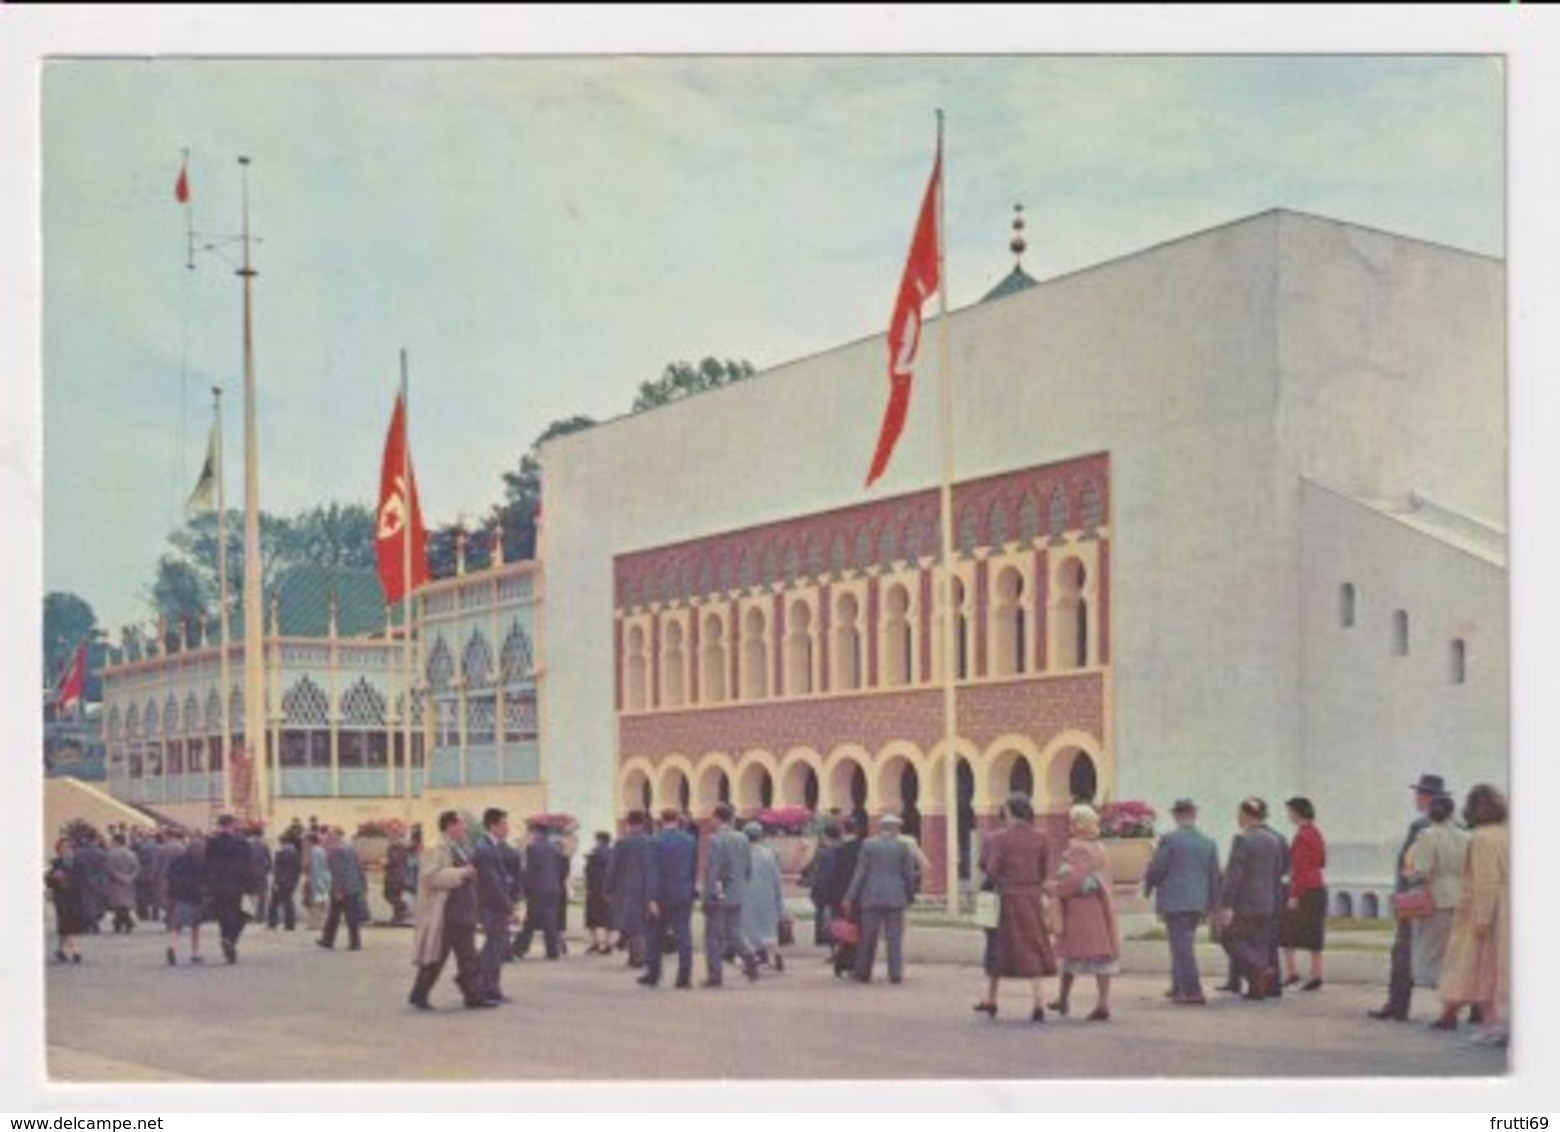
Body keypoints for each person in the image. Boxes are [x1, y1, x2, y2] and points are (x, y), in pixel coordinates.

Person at [1436, 784, 1510, 1046]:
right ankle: (1501, 1025)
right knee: (1503, 971)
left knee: (1484, 972)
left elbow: (1485, 881)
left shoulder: (1481, 838)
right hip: (1509, 908)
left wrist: (1481, 920)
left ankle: (1493, 1026)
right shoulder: (1507, 833)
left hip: (1492, 913)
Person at [973, 793, 1057, 1021]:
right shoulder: (1041, 838)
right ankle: (1038, 1000)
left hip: (1005, 897)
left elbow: (989, 869)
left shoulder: (996, 838)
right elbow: (1043, 871)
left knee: (997, 946)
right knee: (1034, 945)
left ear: (1009, 811)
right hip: (1031, 897)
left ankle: (991, 998)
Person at [1370, 772, 1444, 1021]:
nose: (1415, 799)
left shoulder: (1420, 827)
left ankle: (1397, 1005)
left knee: (1402, 951)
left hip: (1415, 898)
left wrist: (1400, 896)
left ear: (1426, 797)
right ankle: (1463, 1009)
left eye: (1418, 794)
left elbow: (1409, 866)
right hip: (1443, 900)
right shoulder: (1456, 826)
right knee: (1446, 953)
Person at [409, 810, 494, 1010]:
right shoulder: (435, 848)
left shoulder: (462, 847)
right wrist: (461, 873)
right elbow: (429, 878)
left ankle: (473, 995)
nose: (465, 828)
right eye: (461, 824)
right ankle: (419, 993)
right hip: (446, 912)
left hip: (464, 911)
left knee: (469, 956)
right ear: (450, 826)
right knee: (437, 955)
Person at [1142, 797, 1221, 1005]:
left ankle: (1193, 990)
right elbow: (1215, 877)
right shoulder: (1208, 843)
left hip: (1175, 901)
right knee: (1183, 943)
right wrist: (1214, 906)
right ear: (1194, 815)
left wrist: (1148, 886)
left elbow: (1158, 868)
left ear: (1176, 816)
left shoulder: (1170, 839)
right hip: (1198, 901)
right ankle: (1178, 986)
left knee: (1181, 947)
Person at [1048, 803, 1121, 1020]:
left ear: (1080, 825)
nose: (1069, 825)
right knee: (1101, 956)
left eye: (1072, 821)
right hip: (1099, 908)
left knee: (1069, 953)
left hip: (1078, 909)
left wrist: (1054, 888)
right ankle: (1103, 1001)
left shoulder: (1075, 847)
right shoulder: (1100, 848)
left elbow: (1071, 878)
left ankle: (1063, 999)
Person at [1406, 793, 1471, 1029]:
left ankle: (1449, 1008)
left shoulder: (1427, 835)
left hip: (1436, 900)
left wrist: (1410, 874)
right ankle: (1451, 1010)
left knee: (1432, 960)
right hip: (1462, 900)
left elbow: (1423, 870)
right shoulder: (1467, 836)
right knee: (1455, 958)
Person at [1218, 797, 1287, 1002]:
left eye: (1239, 813)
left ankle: (1260, 970)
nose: (1238, 818)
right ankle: (1257, 989)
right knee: (1260, 943)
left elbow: (1234, 875)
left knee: (1229, 937)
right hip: (1269, 900)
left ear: (1247, 815)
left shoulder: (1242, 839)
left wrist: (1226, 904)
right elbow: (1281, 869)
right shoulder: (1275, 839)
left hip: (1245, 903)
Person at [843, 812, 917, 985]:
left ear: (881, 828)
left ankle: (863, 971)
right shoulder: (903, 847)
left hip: (872, 895)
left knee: (868, 937)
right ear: (896, 829)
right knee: (894, 938)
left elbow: (860, 873)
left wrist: (850, 896)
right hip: (896, 896)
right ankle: (895, 973)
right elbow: (908, 875)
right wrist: (910, 894)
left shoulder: (869, 845)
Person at [701, 801, 760, 987]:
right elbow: (748, 867)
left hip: (719, 894)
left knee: (713, 936)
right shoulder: (742, 838)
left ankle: (715, 975)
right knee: (735, 932)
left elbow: (713, 871)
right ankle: (750, 959)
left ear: (717, 818)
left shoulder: (716, 839)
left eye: (712, 817)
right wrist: (741, 886)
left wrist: (708, 895)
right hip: (737, 892)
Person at [644, 809, 696, 988]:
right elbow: (693, 868)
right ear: (677, 820)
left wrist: (651, 898)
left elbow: (653, 871)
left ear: (661, 820)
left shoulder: (655, 841)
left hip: (661, 894)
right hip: (683, 892)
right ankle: (684, 977)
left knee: (655, 936)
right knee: (684, 936)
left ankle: (653, 974)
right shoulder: (689, 840)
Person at [1280, 796, 1327, 990]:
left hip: (1303, 890)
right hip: (1318, 887)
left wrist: (1293, 895)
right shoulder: (1316, 833)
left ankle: (1291, 972)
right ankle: (1316, 975)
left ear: (1297, 812)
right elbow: (1322, 861)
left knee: (1287, 933)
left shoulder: (1300, 836)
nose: (1289, 815)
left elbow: (1297, 869)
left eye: (1290, 811)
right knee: (1315, 934)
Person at [473, 807, 518, 1003]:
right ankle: (486, 987)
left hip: (494, 905)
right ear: (493, 826)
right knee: (493, 948)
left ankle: (489, 987)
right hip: (491, 906)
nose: (507, 828)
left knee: (494, 948)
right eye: (503, 824)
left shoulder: (492, 846)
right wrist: (508, 907)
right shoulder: (484, 849)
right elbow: (492, 883)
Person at [607, 810, 656, 968]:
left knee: (631, 923)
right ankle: (640, 954)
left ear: (628, 823)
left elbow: (612, 867)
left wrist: (608, 888)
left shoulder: (622, 843)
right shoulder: (651, 842)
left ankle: (637, 956)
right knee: (642, 922)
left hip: (626, 888)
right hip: (647, 887)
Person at [204, 814, 254, 964]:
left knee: (223, 916)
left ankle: (227, 943)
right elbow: (248, 866)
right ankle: (231, 939)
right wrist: (251, 886)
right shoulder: (242, 843)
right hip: (238, 885)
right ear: (232, 825)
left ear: (220, 825)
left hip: (218, 885)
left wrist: (208, 886)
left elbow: (208, 865)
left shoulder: (212, 843)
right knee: (243, 914)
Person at [741, 822, 788, 973]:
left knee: (749, 930)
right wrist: (778, 897)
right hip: (767, 896)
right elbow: (777, 878)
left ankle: (752, 960)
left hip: (748, 897)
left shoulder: (743, 853)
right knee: (768, 930)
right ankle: (777, 954)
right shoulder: (769, 854)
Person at [515, 821, 564, 960]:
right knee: (548, 919)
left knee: (531, 919)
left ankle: (520, 948)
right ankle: (552, 950)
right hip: (553, 888)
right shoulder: (555, 849)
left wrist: (525, 888)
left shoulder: (533, 849)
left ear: (537, 834)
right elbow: (560, 870)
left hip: (538, 889)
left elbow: (530, 871)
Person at [318, 827, 367, 951]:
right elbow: (359, 867)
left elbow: (337, 872)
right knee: (350, 916)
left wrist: (337, 890)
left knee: (334, 915)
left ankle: (328, 940)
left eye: (331, 835)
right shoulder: (351, 849)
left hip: (342, 888)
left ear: (337, 836)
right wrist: (361, 884)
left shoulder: (335, 851)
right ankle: (355, 943)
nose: (328, 838)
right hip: (353, 887)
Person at [163, 831, 205, 966]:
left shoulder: (177, 860)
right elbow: (205, 880)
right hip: (195, 897)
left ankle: (172, 946)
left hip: (179, 897)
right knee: (195, 927)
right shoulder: (201, 863)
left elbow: (169, 875)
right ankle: (195, 953)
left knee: (177, 926)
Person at [45, 837, 89, 963]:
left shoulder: (79, 862)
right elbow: (47, 881)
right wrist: (53, 878)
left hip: (76, 896)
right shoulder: (55, 863)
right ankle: (76, 950)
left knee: (69, 924)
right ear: (58, 849)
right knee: (67, 922)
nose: (66, 849)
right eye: (63, 847)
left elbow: (84, 879)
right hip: (61, 897)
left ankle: (61, 950)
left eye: (68, 847)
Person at [807, 823, 841, 947]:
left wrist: (814, 887)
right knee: (836, 914)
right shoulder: (843, 850)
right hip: (839, 888)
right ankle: (835, 938)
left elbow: (820, 872)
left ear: (826, 835)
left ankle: (822, 938)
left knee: (822, 913)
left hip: (824, 887)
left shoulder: (824, 852)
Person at [583, 831, 614, 954]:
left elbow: (589, 872)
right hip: (608, 889)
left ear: (599, 840)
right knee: (608, 917)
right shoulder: (613, 853)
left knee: (592, 917)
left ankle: (596, 942)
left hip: (595, 889)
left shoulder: (594, 854)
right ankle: (608, 943)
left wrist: (589, 887)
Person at [104, 833, 141, 935]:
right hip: (129, 882)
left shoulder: (111, 854)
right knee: (125, 903)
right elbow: (137, 868)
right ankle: (119, 923)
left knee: (118, 904)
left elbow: (109, 868)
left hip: (116, 882)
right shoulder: (132, 854)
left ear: (116, 841)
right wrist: (130, 877)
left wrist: (118, 876)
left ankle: (125, 922)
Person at [268, 832, 301, 931]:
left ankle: (272, 923)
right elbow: (297, 869)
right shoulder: (296, 853)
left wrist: (276, 882)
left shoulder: (280, 853)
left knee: (274, 902)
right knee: (288, 902)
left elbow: (278, 869)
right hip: (291, 881)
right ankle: (290, 924)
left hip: (281, 881)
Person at [305, 832, 331, 932]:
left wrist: (310, 880)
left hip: (317, 880)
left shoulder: (314, 851)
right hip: (324, 879)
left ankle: (315, 923)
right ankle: (320, 923)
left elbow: (315, 868)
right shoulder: (322, 850)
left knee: (314, 903)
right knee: (322, 903)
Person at [384, 833, 412, 926]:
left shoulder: (394, 848)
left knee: (388, 894)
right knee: (396, 895)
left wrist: (385, 862)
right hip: (401, 877)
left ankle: (402, 906)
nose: (390, 840)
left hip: (393, 877)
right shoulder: (403, 849)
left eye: (392, 838)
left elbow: (392, 860)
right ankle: (398, 917)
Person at [247, 827, 272, 926]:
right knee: (262, 895)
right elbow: (269, 862)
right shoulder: (264, 845)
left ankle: (248, 915)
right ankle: (260, 916)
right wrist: (265, 871)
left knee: (248, 895)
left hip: (248, 873)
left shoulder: (246, 844)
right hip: (261, 873)